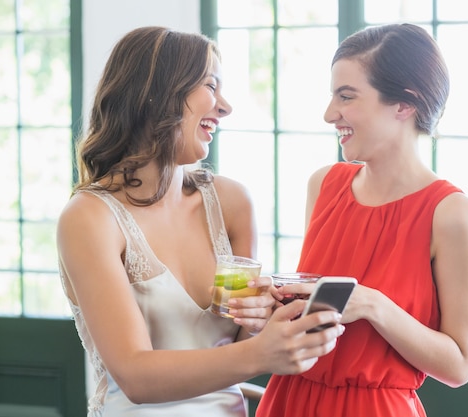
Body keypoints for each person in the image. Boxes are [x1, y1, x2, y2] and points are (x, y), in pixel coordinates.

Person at [56, 26, 345, 417]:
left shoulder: (230, 203)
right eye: (211, 86)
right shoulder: (90, 218)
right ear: (157, 93)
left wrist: (265, 317)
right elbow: (136, 376)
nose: (225, 107)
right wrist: (261, 353)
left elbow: (240, 336)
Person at [256, 23, 468, 417]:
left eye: (346, 97)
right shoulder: (324, 184)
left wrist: (373, 305)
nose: (330, 114)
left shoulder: (453, 214)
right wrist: (273, 305)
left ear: (405, 104)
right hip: (289, 400)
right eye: (332, 96)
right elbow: (314, 323)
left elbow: (459, 365)